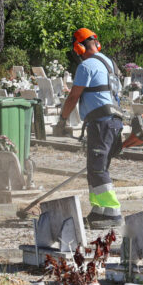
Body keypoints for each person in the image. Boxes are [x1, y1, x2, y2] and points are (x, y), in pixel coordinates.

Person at [54, 28, 123, 228]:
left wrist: (62, 120)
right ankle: (99, 210)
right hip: (112, 121)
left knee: (97, 168)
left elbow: (73, 96)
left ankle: (112, 213)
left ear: (79, 47)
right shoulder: (109, 63)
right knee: (96, 168)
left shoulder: (86, 65)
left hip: (102, 122)